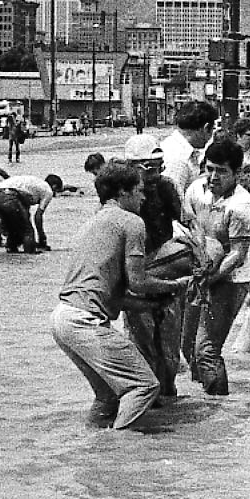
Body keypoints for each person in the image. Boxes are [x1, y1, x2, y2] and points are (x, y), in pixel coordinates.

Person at [51, 161, 190, 431]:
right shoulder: (132, 222)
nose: (144, 197)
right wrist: (176, 285)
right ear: (123, 192)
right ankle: (120, 444)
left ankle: (94, 445)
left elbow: (112, 297)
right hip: (85, 321)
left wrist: (151, 303)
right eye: (139, 190)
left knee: (107, 397)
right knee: (144, 387)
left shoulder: (93, 223)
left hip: (62, 318)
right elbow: (138, 281)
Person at [120, 135, 196, 403]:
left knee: (169, 349)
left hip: (165, 276)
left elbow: (188, 222)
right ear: (131, 167)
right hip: (137, 280)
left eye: (159, 167)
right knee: (142, 348)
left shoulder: (165, 187)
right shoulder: (122, 196)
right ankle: (150, 402)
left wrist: (200, 252)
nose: (155, 175)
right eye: (149, 168)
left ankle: (168, 399)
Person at [181, 137, 250, 395]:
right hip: (202, 271)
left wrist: (208, 280)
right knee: (187, 345)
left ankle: (219, 401)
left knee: (207, 349)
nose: (214, 177)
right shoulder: (196, 189)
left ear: (237, 173)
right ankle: (207, 403)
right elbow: (190, 224)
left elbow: (237, 255)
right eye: (210, 169)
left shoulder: (241, 206)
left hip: (231, 279)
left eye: (222, 171)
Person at [0, 172, 62, 253]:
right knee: (27, 231)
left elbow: (24, 208)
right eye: (56, 191)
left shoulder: (35, 185)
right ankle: (29, 254)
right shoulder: (48, 191)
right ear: (54, 186)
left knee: (13, 230)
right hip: (12, 196)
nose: (55, 194)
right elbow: (38, 216)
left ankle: (12, 253)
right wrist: (42, 237)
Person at [160, 100, 218, 197]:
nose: (211, 136)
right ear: (205, 128)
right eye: (212, 129)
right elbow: (173, 199)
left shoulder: (180, 149)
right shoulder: (178, 158)